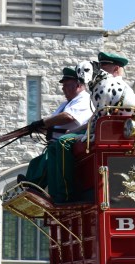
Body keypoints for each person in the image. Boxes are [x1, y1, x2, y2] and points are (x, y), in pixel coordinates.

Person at [22, 66, 93, 202]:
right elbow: (53, 123)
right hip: (56, 143)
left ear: (78, 85)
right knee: (36, 162)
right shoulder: (66, 103)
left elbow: (68, 117)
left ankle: (58, 193)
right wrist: (37, 127)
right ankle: (32, 187)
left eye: (66, 85)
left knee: (50, 156)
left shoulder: (84, 100)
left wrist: (42, 123)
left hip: (75, 142)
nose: (63, 89)